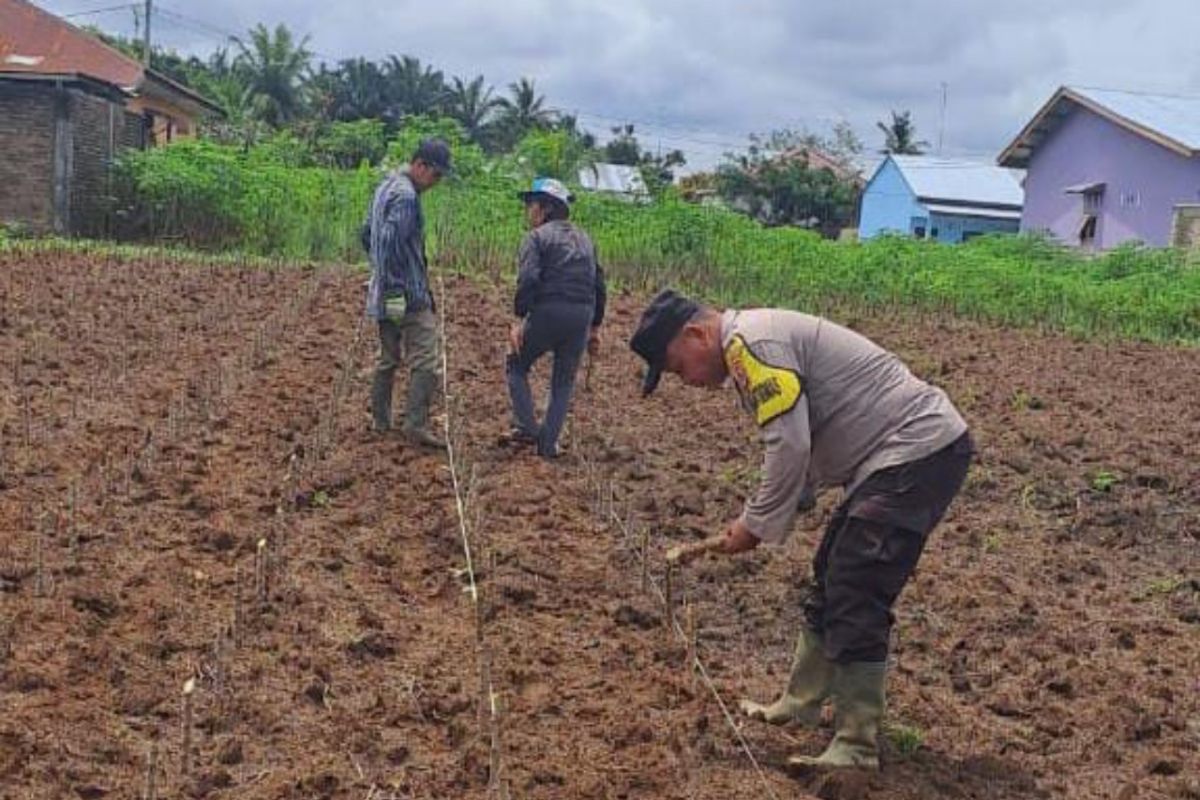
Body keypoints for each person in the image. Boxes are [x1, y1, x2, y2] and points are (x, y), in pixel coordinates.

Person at [629, 289, 973, 772]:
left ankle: (855, 746)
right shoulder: (754, 342)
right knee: (831, 570)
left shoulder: (750, 345)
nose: (683, 380)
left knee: (857, 584)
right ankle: (802, 702)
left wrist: (756, 524)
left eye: (675, 366)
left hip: (916, 450)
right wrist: (772, 512)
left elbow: (788, 445)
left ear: (696, 334)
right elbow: (804, 447)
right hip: (890, 460)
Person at [505, 178, 607, 459]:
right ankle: (547, 446)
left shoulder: (536, 238)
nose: (528, 211)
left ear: (545, 208)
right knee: (563, 382)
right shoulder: (586, 240)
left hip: (549, 310)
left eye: (531, 205)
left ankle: (527, 427)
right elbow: (598, 284)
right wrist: (595, 327)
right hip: (581, 315)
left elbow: (528, 280)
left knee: (516, 363)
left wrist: (520, 319)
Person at [363, 138, 452, 448]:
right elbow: (389, 245)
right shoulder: (406, 197)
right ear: (419, 165)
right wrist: (399, 291)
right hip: (404, 294)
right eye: (435, 175)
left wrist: (382, 278)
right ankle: (415, 425)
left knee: (389, 356)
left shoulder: (385, 187)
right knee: (426, 356)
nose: (436, 182)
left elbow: (367, 234)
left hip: (383, 289)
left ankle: (381, 421)